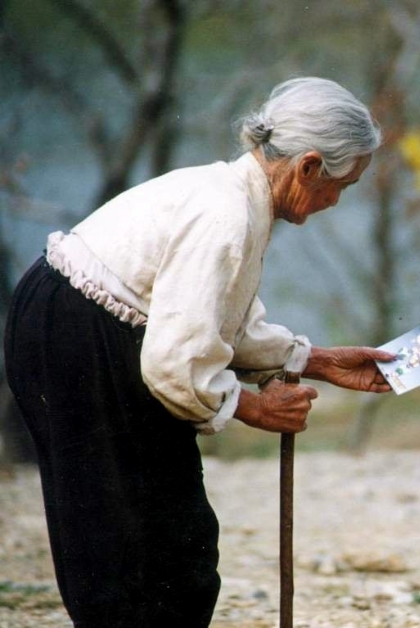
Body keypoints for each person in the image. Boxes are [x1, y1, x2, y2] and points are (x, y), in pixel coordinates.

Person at [3, 77, 394, 627]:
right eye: (342, 185)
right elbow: (175, 362)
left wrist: (317, 360)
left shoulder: (239, 198)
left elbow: (215, 323)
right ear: (308, 167)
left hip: (88, 327)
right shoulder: (226, 215)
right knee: (129, 545)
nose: (336, 200)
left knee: (170, 542)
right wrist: (253, 408)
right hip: (79, 335)